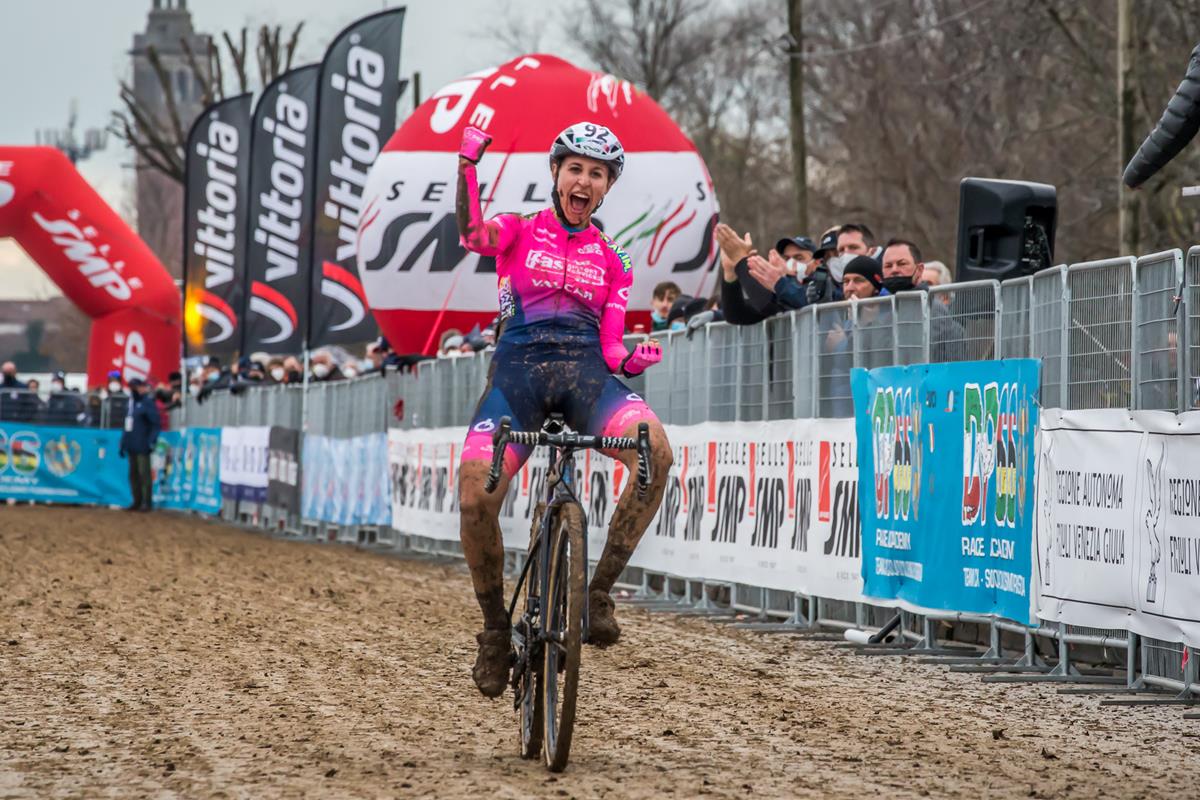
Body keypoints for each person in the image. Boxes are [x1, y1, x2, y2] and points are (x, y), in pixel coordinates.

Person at [454, 121, 672, 698]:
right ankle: (496, 632)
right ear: (556, 173)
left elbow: (610, 349)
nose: (584, 180)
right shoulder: (517, 230)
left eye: (596, 174)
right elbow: (473, 231)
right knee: (476, 496)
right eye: (575, 168)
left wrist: (632, 358)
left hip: (586, 378)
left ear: (606, 188)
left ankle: (598, 594)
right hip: (517, 377)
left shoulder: (615, 259)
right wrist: (467, 168)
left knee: (657, 451)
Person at [119, 378, 161, 512]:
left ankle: (146, 502)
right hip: (131, 444)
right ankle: (136, 501)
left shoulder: (147, 403)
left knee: (144, 474)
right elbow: (127, 426)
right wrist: (123, 443)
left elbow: (155, 424)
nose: (133, 390)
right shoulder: (131, 404)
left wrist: (151, 441)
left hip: (143, 444)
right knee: (133, 474)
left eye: (135, 387)